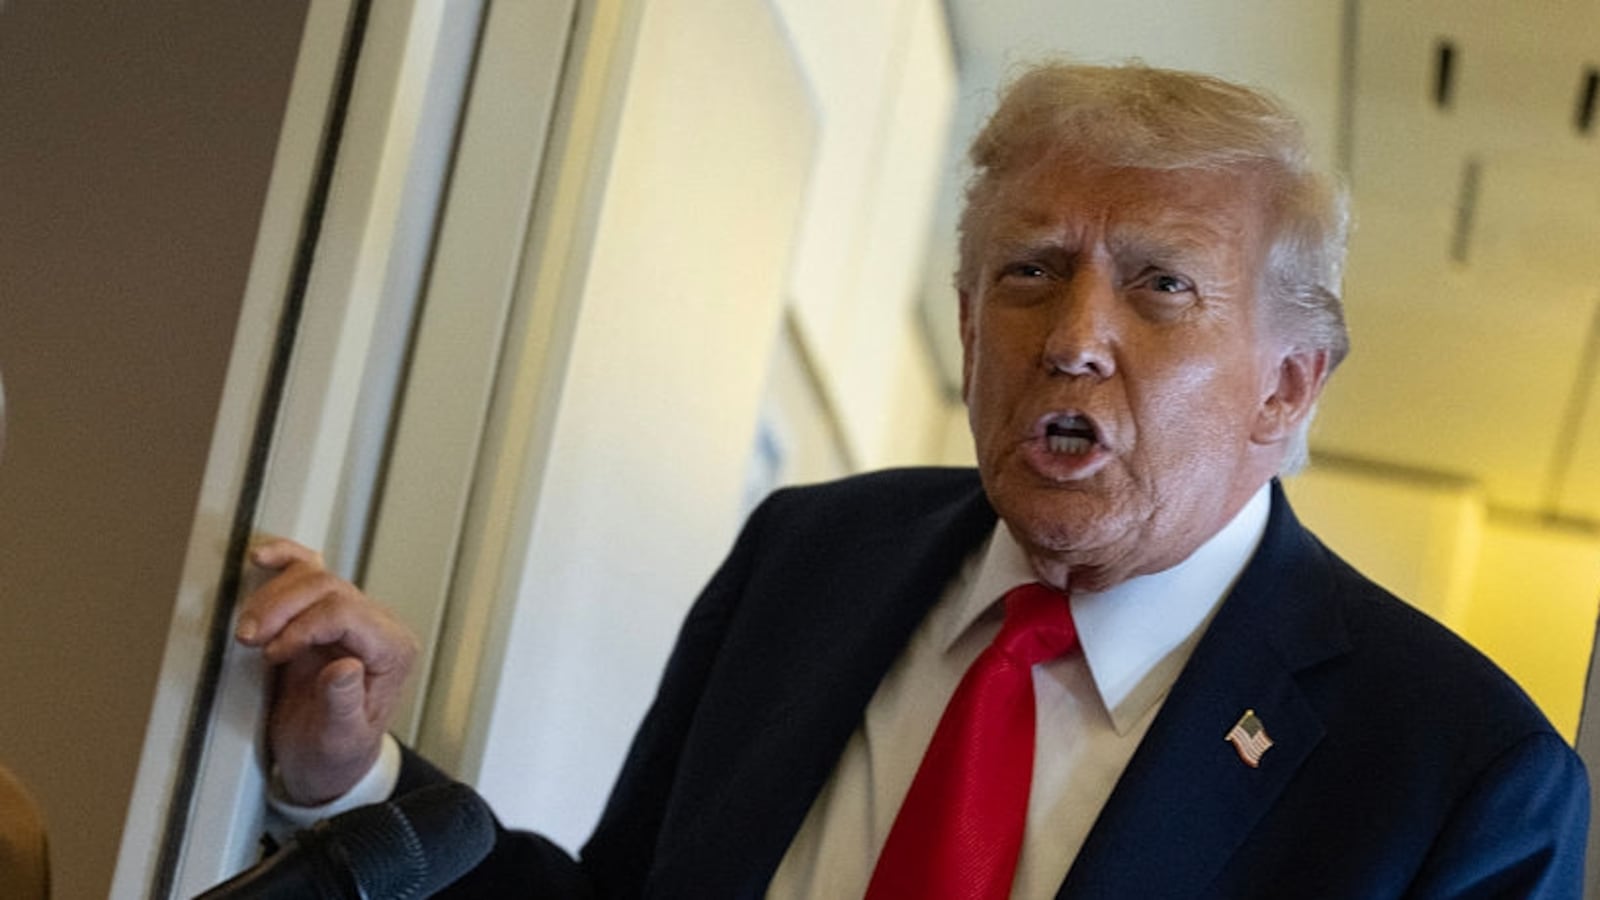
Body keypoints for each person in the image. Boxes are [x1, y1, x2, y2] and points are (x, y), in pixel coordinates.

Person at [237, 63, 1589, 897]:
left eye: (1161, 286)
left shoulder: (1456, 778)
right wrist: (358, 784)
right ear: (962, 320)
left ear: (1290, 385)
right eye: (1030, 274)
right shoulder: (809, 557)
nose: (1070, 340)